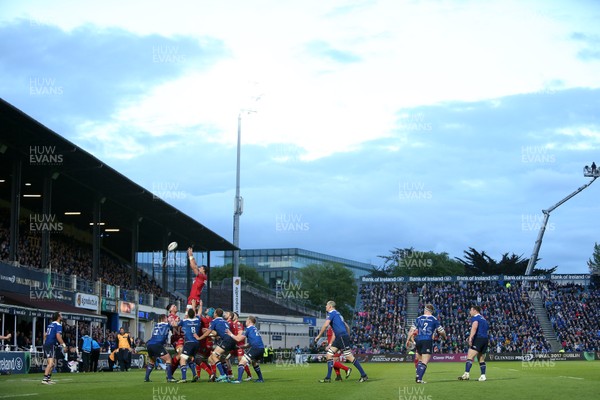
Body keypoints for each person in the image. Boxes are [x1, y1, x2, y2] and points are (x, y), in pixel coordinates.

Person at [314, 300, 368, 383]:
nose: (325, 307)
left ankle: (364, 375)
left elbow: (325, 325)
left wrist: (318, 336)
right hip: (340, 337)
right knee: (329, 355)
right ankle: (328, 378)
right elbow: (347, 327)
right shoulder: (339, 314)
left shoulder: (332, 313)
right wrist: (347, 336)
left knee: (349, 357)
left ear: (330, 306)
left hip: (341, 337)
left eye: (326, 305)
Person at [406, 304, 446, 384]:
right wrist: (444, 337)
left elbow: (411, 330)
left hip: (418, 340)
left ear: (426, 310)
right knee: (425, 361)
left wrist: (407, 340)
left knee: (420, 360)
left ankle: (418, 376)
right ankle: (419, 379)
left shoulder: (418, 318)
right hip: (427, 340)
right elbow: (441, 331)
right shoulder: (434, 319)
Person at [197, 308, 238, 383]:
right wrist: (210, 332)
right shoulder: (224, 321)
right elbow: (217, 333)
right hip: (232, 340)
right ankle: (226, 376)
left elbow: (207, 333)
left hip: (226, 340)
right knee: (220, 359)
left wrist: (199, 338)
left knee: (213, 356)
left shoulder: (214, 321)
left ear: (215, 314)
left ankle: (222, 375)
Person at [227, 315, 265, 383]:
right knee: (254, 362)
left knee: (242, 362)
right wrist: (240, 347)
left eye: (247, 320)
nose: (245, 322)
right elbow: (249, 344)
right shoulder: (255, 329)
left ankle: (239, 380)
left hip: (256, 348)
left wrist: (230, 334)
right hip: (261, 348)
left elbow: (238, 339)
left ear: (250, 321)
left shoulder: (248, 329)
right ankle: (261, 379)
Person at [458, 305, 489, 382]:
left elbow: (474, 327)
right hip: (485, 339)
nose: (470, 312)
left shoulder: (475, 318)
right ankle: (483, 376)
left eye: (471, 310)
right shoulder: (483, 319)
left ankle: (466, 374)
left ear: (475, 311)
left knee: (470, 356)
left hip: (478, 338)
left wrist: (470, 338)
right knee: (481, 358)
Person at [145, 314, 177, 382]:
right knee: (168, 359)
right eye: (166, 318)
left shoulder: (156, 325)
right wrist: (174, 321)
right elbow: (175, 327)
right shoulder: (167, 325)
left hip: (150, 344)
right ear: (164, 319)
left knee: (152, 361)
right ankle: (169, 378)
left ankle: (146, 378)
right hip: (157, 344)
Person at [176, 307, 201, 383]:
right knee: (190, 358)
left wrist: (176, 321)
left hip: (189, 343)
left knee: (182, 359)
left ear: (187, 315)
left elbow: (175, 325)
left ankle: (184, 378)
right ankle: (194, 374)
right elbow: (199, 313)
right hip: (196, 343)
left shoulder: (184, 321)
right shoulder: (197, 320)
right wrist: (200, 305)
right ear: (194, 314)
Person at [42, 311, 67, 384]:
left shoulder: (50, 324)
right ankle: (45, 379)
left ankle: (48, 379)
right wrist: (64, 345)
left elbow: (45, 335)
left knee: (52, 363)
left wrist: (45, 342)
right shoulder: (58, 325)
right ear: (58, 316)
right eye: (61, 315)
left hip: (48, 344)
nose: (62, 316)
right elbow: (58, 336)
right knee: (50, 363)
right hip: (51, 345)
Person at [229, 312, 253, 381]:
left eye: (234, 315)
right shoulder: (231, 324)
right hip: (233, 345)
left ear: (236, 317)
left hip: (239, 345)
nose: (233, 316)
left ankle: (249, 375)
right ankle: (229, 374)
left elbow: (240, 335)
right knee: (226, 358)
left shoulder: (238, 324)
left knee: (241, 361)